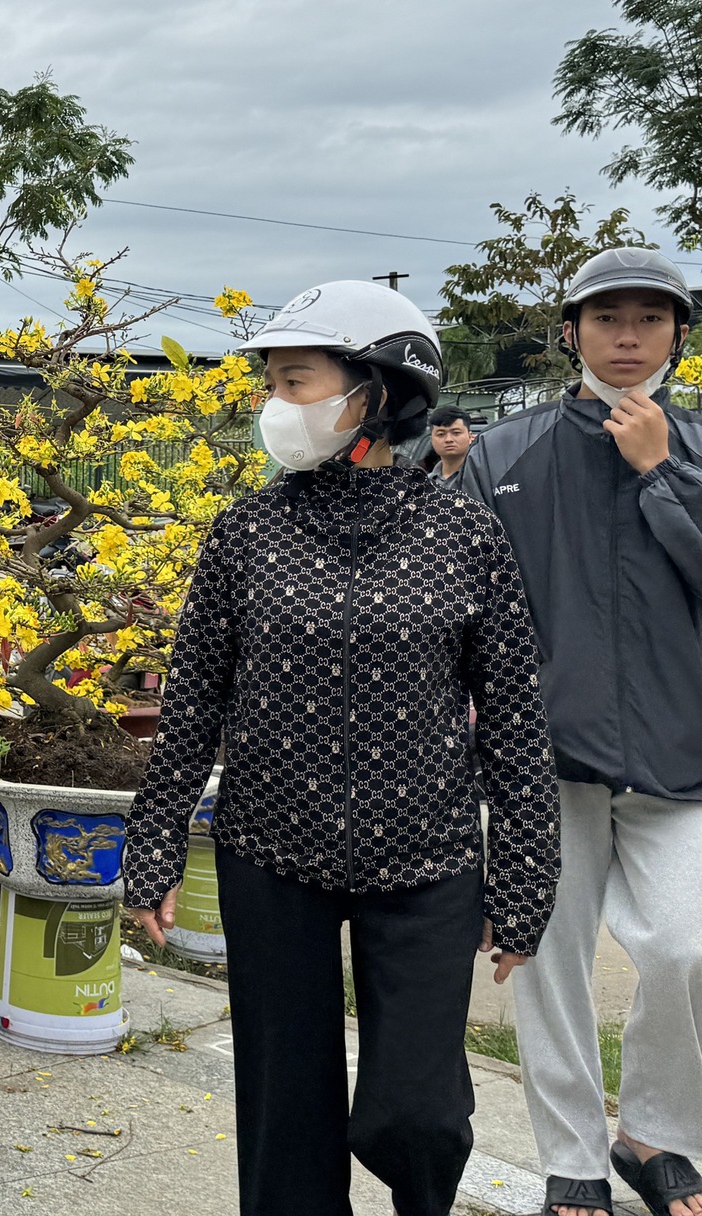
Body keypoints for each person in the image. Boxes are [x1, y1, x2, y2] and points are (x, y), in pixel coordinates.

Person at [124, 280, 560, 1216]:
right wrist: (155, 844)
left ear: (377, 390)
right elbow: (194, 701)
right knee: (287, 1117)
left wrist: (525, 876)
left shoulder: (465, 535)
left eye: (294, 381)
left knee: (418, 1115)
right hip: (270, 851)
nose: (274, 406)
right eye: (270, 384)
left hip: (429, 857)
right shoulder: (246, 533)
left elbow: (517, 718)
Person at [456, 247, 702, 1216]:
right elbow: (454, 605)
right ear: (570, 332)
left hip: (680, 757)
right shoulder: (499, 455)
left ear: (678, 334)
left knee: (687, 947)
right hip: (539, 763)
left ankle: (653, 1132)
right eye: (607, 317)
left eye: (651, 317)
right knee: (546, 961)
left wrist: (657, 476)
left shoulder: (692, 449)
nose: (628, 336)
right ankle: (567, 1155)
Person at [427, 406, 477, 484]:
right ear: (432, 440)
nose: (448, 439)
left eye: (456, 433)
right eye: (441, 434)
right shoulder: (425, 483)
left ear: (470, 437)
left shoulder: (482, 477)